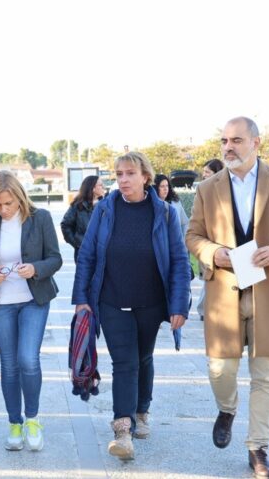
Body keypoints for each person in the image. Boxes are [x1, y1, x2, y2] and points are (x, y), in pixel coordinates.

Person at [186, 117, 269, 478]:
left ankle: (258, 448)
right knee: (220, 369)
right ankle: (227, 408)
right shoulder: (207, 188)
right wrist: (213, 252)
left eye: (236, 140)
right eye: (224, 141)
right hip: (223, 293)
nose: (228, 147)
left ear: (256, 143)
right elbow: (193, 235)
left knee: (265, 376)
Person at [72, 152, 190, 461]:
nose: (123, 179)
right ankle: (123, 429)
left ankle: (141, 410)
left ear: (145, 177)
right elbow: (87, 255)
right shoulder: (104, 210)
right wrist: (82, 299)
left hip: (151, 302)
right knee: (124, 362)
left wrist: (179, 304)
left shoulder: (165, 213)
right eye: (118, 174)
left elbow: (179, 260)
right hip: (111, 300)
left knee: (144, 357)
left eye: (130, 173)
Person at [0, 171, 62, 452]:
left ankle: (32, 419)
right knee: (9, 364)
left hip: (34, 300)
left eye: (8, 203)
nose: (3, 209)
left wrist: (35, 268)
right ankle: (14, 423)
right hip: (1, 303)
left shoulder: (41, 218)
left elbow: (55, 259)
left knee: (28, 359)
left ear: (20, 198)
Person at [196, 158, 224, 321]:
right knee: (209, 276)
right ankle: (204, 310)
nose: (204, 175)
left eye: (208, 172)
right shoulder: (203, 190)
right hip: (207, 242)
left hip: (222, 240)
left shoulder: (224, 191)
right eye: (204, 172)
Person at [60, 175, 105, 260]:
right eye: (100, 185)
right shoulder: (78, 206)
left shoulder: (106, 204)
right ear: (92, 188)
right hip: (84, 253)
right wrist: (77, 243)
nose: (103, 187)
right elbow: (65, 225)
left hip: (103, 252)